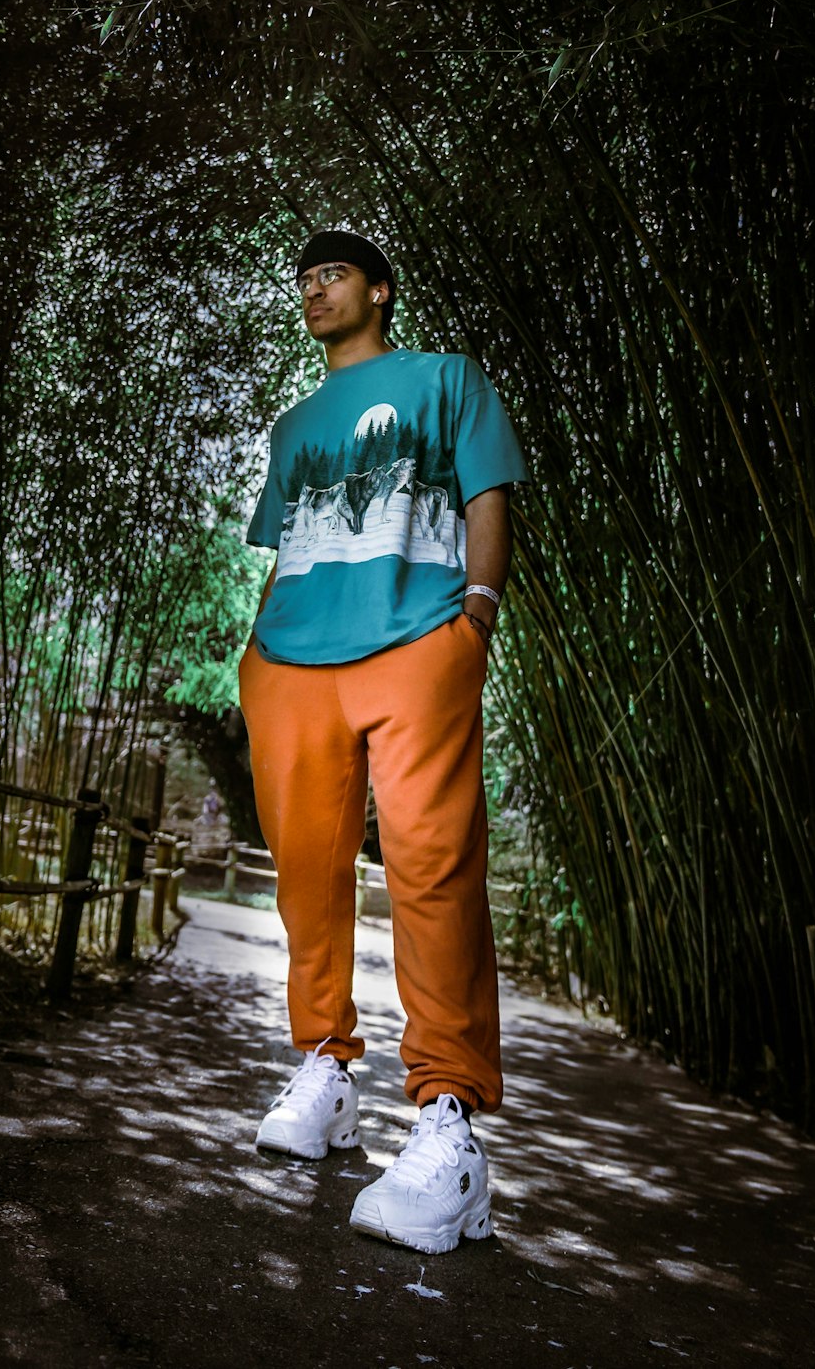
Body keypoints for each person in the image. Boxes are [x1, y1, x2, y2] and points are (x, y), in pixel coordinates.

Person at [238, 229, 527, 1255]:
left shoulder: (447, 379)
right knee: (304, 875)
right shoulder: (291, 423)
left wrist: (477, 616)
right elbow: (290, 544)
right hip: (290, 656)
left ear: (379, 289)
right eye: (304, 278)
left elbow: (489, 493)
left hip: (418, 635)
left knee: (431, 863)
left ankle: (447, 1121)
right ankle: (324, 1066)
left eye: (333, 275)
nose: (314, 290)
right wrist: (256, 652)